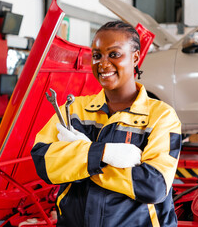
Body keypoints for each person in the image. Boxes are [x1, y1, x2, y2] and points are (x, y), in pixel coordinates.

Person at [31, 20, 182, 227]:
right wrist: (105, 154)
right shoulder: (74, 109)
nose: (102, 63)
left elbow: (153, 185)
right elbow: (43, 163)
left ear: (135, 57)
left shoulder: (161, 116)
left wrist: (80, 159)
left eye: (114, 54)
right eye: (97, 55)